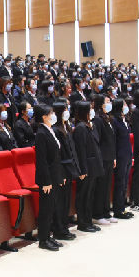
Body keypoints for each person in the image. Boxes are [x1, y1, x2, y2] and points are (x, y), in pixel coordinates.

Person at [33, 103, 66, 252]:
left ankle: (48, 236)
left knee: (52, 207)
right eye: (51, 113)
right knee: (46, 209)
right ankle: (43, 239)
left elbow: (56, 157)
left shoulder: (50, 130)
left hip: (54, 175)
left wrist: (60, 175)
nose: (53, 115)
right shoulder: (41, 133)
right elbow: (42, 160)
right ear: (44, 117)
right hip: (46, 178)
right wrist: (46, 181)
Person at [72, 101, 102, 232]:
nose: (92, 111)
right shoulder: (80, 128)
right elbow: (80, 151)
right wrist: (82, 170)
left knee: (90, 196)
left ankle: (88, 221)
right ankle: (82, 223)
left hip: (93, 166)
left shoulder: (90, 125)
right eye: (90, 109)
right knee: (83, 196)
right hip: (86, 167)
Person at [51, 100, 78, 240]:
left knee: (66, 201)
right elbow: (57, 155)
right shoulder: (56, 130)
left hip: (69, 168)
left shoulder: (66, 126)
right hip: (61, 169)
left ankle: (64, 228)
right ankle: (59, 230)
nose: (67, 111)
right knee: (60, 202)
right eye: (65, 109)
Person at [91, 95, 117, 225]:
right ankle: (97, 214)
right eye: (107, 102)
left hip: (109, 157)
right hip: (102, 158)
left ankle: (106, 212)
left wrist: (113, 157)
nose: (109, 103)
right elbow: (98, 141)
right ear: (101, 104)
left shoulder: (108, 118)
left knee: (107, 186)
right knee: (100, 187)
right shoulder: (97, 119)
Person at [111, 99, 134, 219]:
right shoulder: (115, 121)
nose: (126, 106)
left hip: (127, 155)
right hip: (120, 156)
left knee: (125, 183)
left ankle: (122, 208)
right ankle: (118, 210)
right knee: (120, 183)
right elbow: (114, 141)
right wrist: (114, 157)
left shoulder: (124, 119)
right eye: (124, 104)